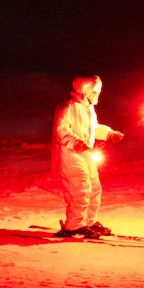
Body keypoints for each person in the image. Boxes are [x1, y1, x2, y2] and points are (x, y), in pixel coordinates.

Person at [52, 74, 124, 238]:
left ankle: (89, 222)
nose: (96, 94)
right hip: (70, 156)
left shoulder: (88, 108)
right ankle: (74, 225)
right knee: (80, 190)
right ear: (85, 89)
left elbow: (93, 128)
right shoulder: (68, 107)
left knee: (94, 189)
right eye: (94, 90)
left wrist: (109, 134)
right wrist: (76, 143)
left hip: (86, 154)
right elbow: (61, 130)